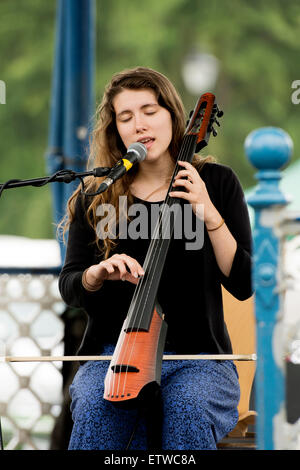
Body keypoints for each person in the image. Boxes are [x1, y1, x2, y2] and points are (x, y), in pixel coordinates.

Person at [58, 66, 253, 450]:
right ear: (116, 129)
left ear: (172, 115)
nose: (139, 124)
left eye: (150, 110)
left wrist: (210, 215)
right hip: (112, 356)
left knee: (186, 406)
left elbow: (244, 284)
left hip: (199, 358)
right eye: (126, 116)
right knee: (98, 409)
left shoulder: (217, 182)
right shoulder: (97, 193)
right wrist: (95, 275)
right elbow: (70, 285)